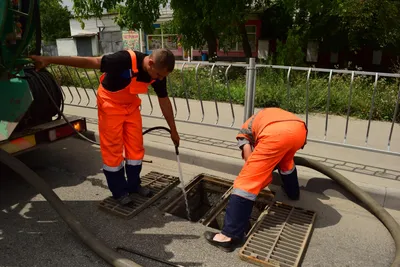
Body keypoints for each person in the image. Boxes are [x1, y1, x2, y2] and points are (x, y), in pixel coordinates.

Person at [29, 48, 180, 206]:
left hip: (130, 106)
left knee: (135, 149)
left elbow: (164, 101)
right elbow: (90, 61)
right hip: (110, 105)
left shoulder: (157, 73)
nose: (160, 79)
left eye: (163, 76)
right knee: (113, 150)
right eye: (159, 75)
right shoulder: (123, 60)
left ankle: (134, 185)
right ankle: (119, 192)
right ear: (150, 63)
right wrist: (49, 59)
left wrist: (174, 131)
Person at [204, 107, 307, 252]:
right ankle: (293, 193)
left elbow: (249, 160)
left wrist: (254, 174)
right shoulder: (261, 118)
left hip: (276, 134)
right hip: (299, 130)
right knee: (286, 162)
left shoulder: (244, 135)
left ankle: (229, 236)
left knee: (245, 183)